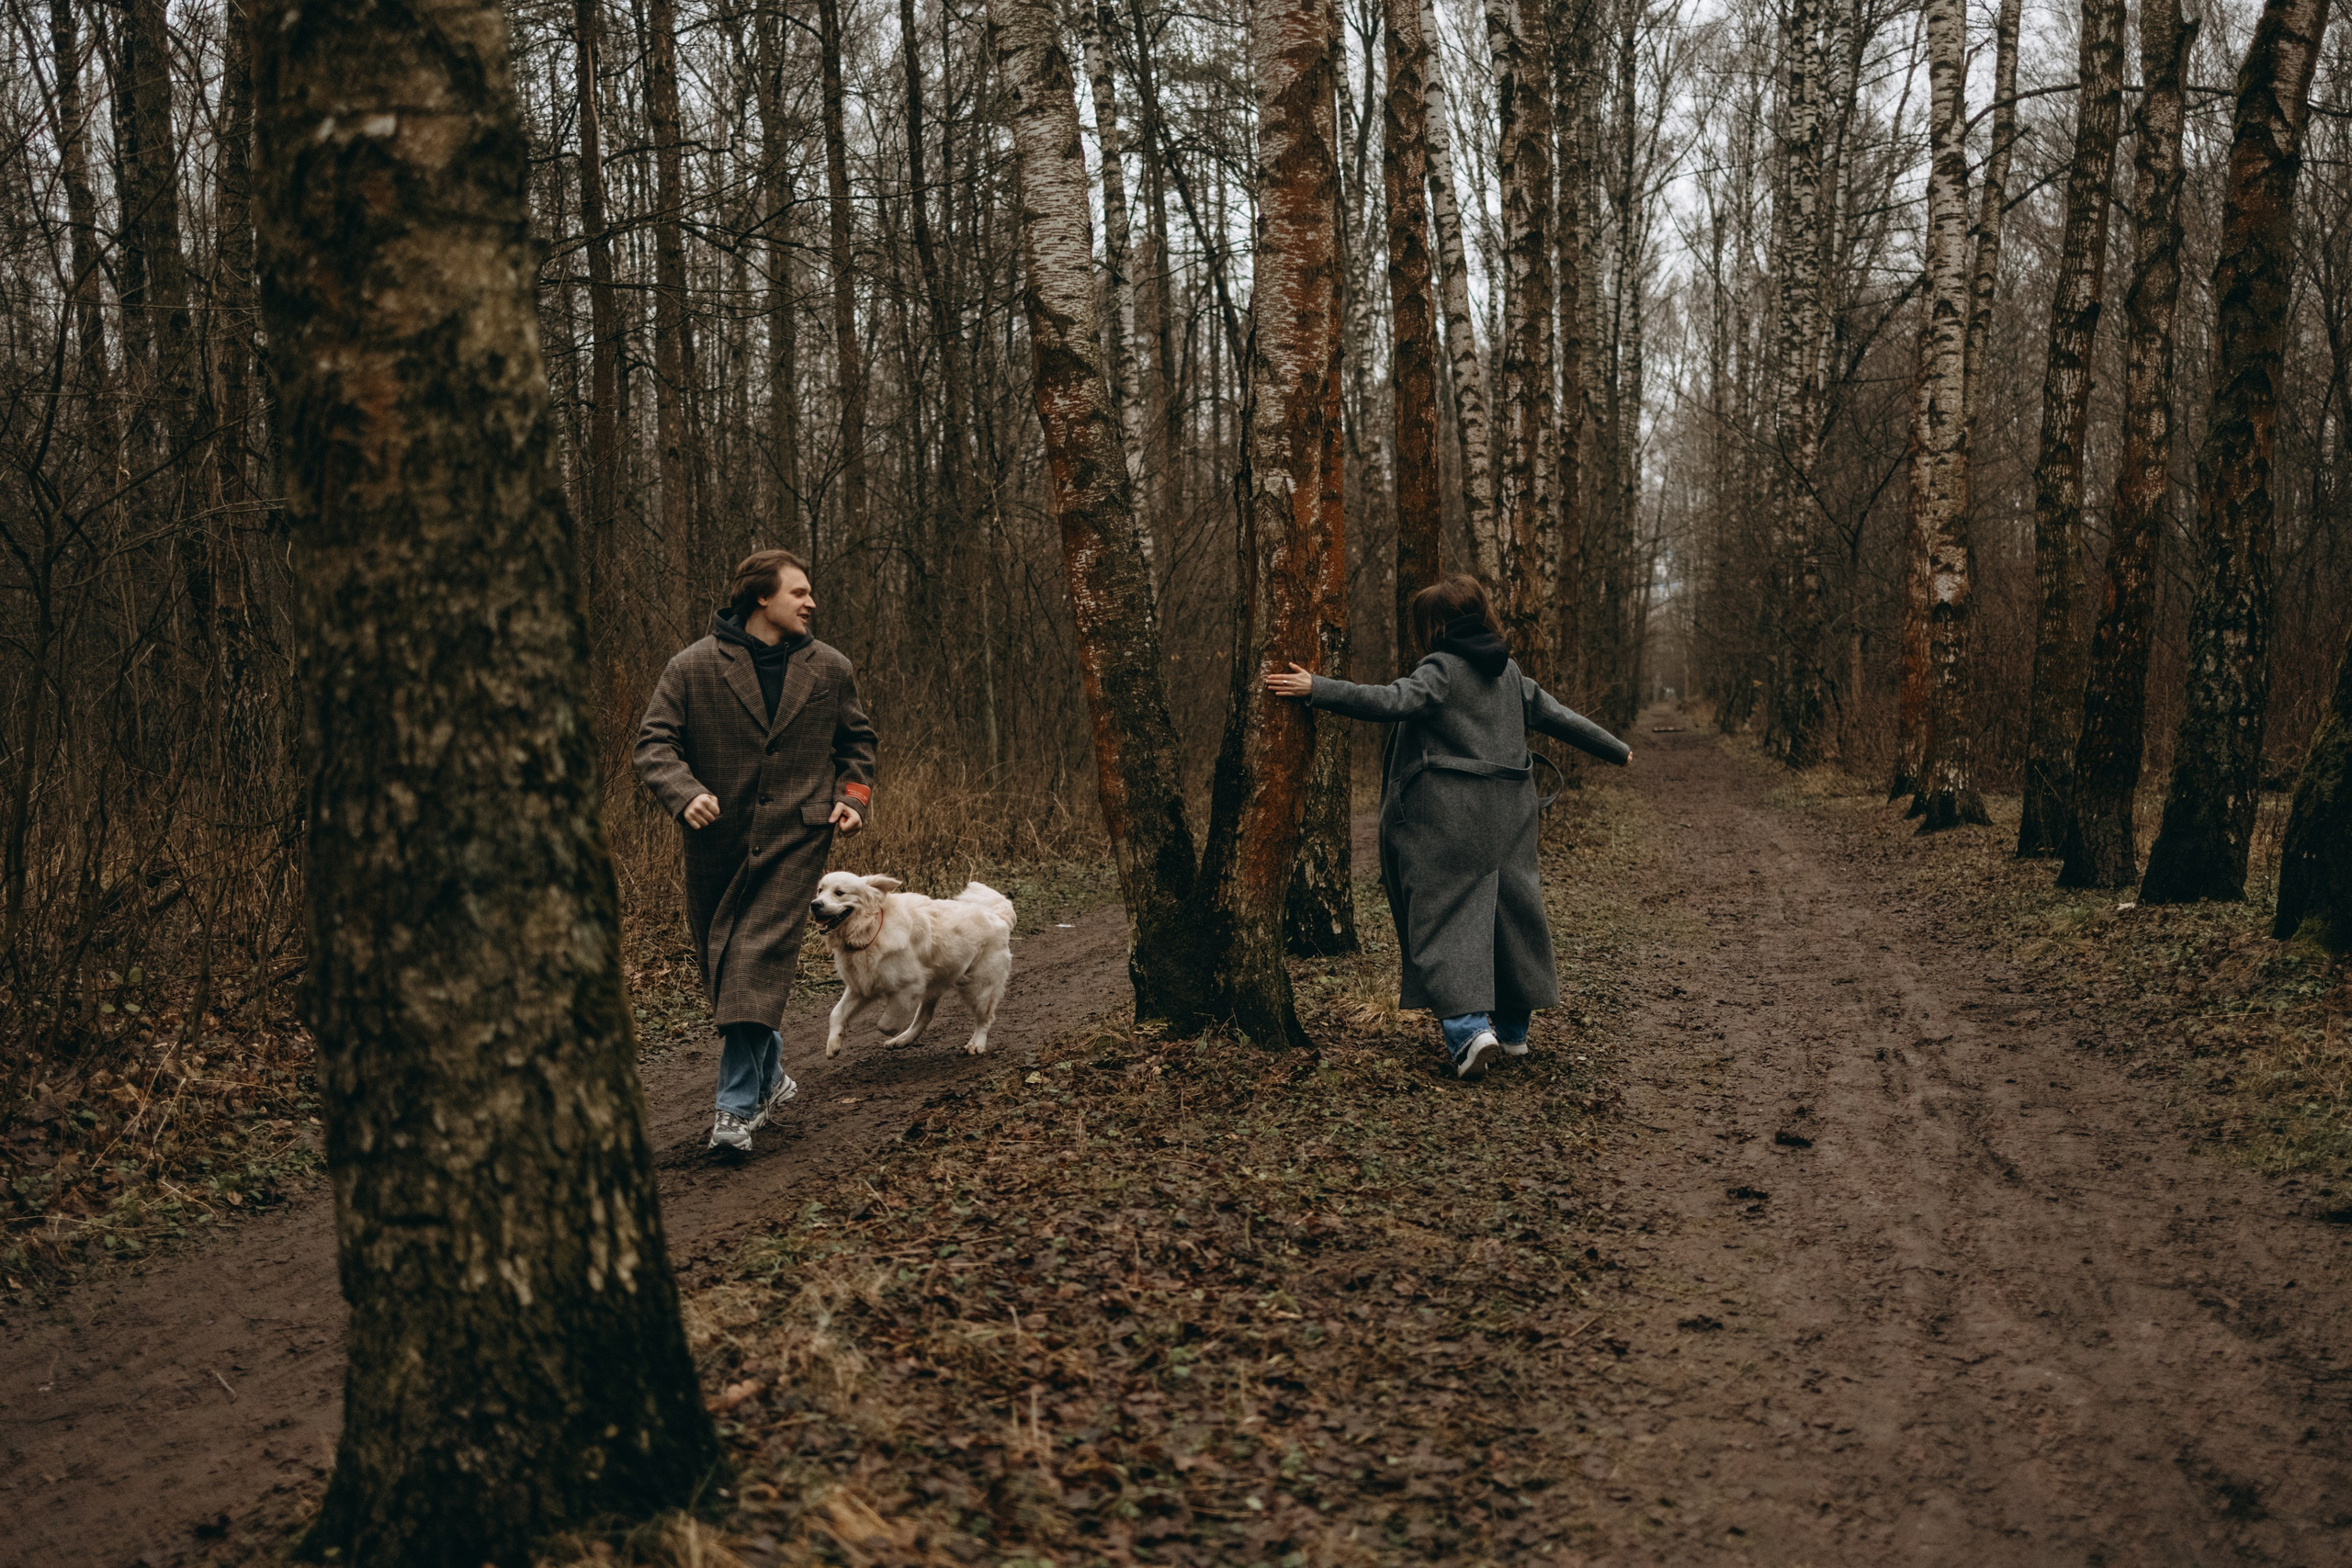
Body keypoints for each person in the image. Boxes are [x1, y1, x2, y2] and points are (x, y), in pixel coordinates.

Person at [1265, 574, 1630, 1079]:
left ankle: (1468, 1033)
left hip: (1449, 821)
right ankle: (1513, 1034)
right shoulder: (1509, 673)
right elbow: (1558, 715)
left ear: (1432, 627)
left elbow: (1390, 701)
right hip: (1511, 820)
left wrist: (1318, 688)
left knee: (1441, 919)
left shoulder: (1441, 670)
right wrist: (1617, 749)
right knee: (1512, 918)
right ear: (1482, 614)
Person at [636, 549, 877, 1150]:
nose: (811, 602)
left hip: (796, 838)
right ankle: (770, 1076)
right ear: (761, 598)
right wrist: (683, 791)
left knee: (750, 963)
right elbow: (654, 744)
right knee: (728, 975)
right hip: (716, 845)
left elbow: (858, 742)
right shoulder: (691, 667)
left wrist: (852, 796)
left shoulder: (830, 667)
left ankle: (733, 1112)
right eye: (799, 592)